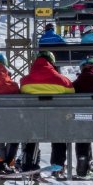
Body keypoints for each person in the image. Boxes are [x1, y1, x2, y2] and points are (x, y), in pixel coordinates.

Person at [19, 49, 72, 177]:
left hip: (33, 122)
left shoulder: (25, 81)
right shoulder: (63, 81)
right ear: (52, 63)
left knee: (31, 133)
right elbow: (72, 96)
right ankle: (58, 164)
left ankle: (28, 163)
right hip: (56, 121)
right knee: (59, 132)